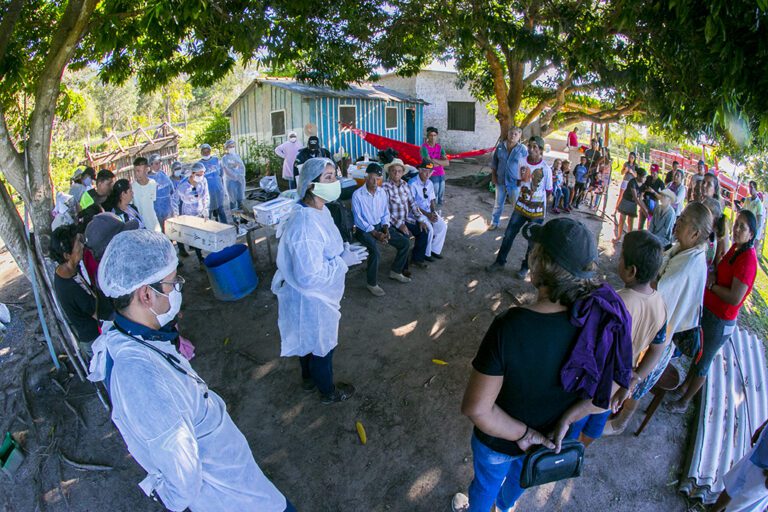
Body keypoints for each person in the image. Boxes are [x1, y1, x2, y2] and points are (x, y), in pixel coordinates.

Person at [87, 229, 292, 511]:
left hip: (234, 479)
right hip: (230, 499)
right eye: (173, 283)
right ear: (146, 294)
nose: (178, 289)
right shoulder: (143, 382)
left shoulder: (133, 334)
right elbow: (181, 484)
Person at [452, 218, 631, 512]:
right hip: (548, 439)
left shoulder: (510, 326)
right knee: (520, 480)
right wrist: (567, 419)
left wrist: (523, 434)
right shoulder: (599, 321)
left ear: (539, 264)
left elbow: (477, 408)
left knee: (485, 485)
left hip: (500, 440)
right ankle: (505, 506)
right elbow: (606, 394)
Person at [271, 157, 366, 404]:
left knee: (307, 340)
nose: (335, 181)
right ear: (311, 185)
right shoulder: (305, 225)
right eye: (329, 178)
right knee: (322, 345)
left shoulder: (317, 210)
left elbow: (324, 246)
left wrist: (341, 251)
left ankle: (308, 380)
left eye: (334, 175)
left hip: (311, 295)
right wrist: (342, 262)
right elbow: (309, 274)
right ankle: (328, 392)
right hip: (312, 296)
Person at [666, 210, 758, 413]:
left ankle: (684, 402)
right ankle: (683, 388)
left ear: (751, 234)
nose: (737, 229)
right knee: (698, 355)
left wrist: (711, 287)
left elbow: (735, 298)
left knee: (704, 361)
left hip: (721, 320)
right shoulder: (736, 248)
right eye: (737, 224)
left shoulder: (748, 261)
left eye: (743, 227)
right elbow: (720, 270)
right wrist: (714, 275)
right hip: (710, 312)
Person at [632, 203, 713, 406]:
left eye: (683, 220)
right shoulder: (682, 249)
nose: (677, 222)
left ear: (695, 233)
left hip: (661, 332)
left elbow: (658, 291)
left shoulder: (690, 264)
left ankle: (620, 420)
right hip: (655, 324)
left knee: (637, 377)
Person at [603, 231, 668, 435]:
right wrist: (636, 378)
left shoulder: (615, 302)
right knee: (596, 422)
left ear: (631, 271)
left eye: (621, 257)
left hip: (599, 375)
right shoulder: (660, 304)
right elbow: (658, 349)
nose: (618, 259)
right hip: (620, 380)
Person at [485, 136, 553, 279]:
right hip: (521, 207)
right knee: (509, 234)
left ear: (540, 151)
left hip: (536, 211)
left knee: (532, 241)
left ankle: (524, 267)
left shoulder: (546, 169)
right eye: (530, 146)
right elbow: (518, 181)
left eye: (535, 147)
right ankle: (499, 262)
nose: (531, 149)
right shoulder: (522, 162)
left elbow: (548, 192)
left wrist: (540, 210)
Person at [351, 163, 412, 296]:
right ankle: (371, 284)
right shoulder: (358, 195)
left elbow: (385, 213)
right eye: (372, 178)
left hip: (380, 226)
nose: (375, 182)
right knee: (375, 252)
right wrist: (375, 233)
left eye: (378, 179)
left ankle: (396, 271)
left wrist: (386, 229)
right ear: (366, 178)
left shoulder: (381, 192)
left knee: (404, 243)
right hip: (364, 230)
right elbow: (358, 220)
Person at [51, 224, 101, 356]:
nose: (82, 246)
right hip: (95, 340)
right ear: (67, 255)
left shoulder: (66, 271)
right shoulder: (70, 288)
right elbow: (99, 313)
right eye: (78, 245)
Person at [382, 158, 431, 269]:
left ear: (403, 172)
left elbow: (413, 204)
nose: (396, 173)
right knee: (405, 239)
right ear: (389, 172)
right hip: (392, 223)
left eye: (399, 171)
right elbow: (385, 211)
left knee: (423, 231)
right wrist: (400, 225)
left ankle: (417, 259)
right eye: (393, 170)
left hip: (405, 220)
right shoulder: (385, 187)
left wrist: (421, 219)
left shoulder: (405, 185)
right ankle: (403, 269)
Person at [711, 419, 768, 512]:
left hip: (765, 473)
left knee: (742, 507)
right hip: (761, 449)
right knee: (733, 486)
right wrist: (763, 426)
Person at [489, 127, 528, 229]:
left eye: (516, 134)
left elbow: (526, 166)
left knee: (516, 206)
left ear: (519, 136)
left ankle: (515, 225)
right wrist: (493, 177)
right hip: (500, 181)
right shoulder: (500, 147)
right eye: (511, 133)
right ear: (508, 134)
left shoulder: (522, 149)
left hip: (515, 183)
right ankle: (494, 223)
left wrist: (522, 180)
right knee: (498, 204)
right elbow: (494, 163)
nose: (513, 136)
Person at [409, 161, 447, 260]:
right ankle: (426, 253)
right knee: (429, 229)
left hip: (428, 212)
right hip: (415, 213)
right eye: (425, 171)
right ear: (420, 170)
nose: (428, 174)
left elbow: (432, 199)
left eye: (430, 172)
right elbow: (412, 204)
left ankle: (434, 249)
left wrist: (433, 212)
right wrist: (427, 214)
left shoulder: (429, 182)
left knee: (442, 225)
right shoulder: (412, 183)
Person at [173, 162, 210, 265]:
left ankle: (205, 255)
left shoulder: (203, 181)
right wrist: (176, 213)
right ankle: (201, 259)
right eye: (198, 174)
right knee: (195, 237)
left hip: (200, 211)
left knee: (204, 234)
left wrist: (206, 208)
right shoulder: (183, 185)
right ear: (192, 173)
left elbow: (206, 195)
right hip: (188, 213)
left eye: (202, 174)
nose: (200, 176)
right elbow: (174, 199)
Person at [614, 167, 647, 243]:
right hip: (626, 201)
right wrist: (643, 209)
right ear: (638, 176)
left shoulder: (643, 185)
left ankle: (628, 239)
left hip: (633, 204)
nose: (645, 179)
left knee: (630, 221)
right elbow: (635, 197)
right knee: (622, 219)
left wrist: (644, 208)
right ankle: (618, 237)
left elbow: (640, 198)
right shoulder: (632, 182)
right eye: (644, 177)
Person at [199, 143, 228, 224]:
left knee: (220, 209)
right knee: (209, 211)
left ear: (210, 151)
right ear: (201, 152)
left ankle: (225, 227)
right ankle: (209, 229)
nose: (206, 153)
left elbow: (221, 174)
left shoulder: (216, 160)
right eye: (204, 151)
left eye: (207, 151)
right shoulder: (199, 164)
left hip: (218, 191)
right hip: (207, 193)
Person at [421, 127, 450, 207]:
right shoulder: (424, 148)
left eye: (434, 135)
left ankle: (439, 213)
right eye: (431, 135)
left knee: (441, 194)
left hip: (441, 173)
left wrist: (434, 160)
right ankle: (433, 212)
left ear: (437, 136)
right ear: (427, 136)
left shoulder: (439, 147)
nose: (433, 137)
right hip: (431, 174)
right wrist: (440, 162)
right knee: (434, 194)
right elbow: (428, 164)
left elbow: (447, 163)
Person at [131, 157, 161, 232]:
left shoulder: (153, 183)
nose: (136, 174)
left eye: (139, 171)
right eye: (135, 171)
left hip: (154, 224)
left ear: (146, 170)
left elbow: (154, 203)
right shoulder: (132, 187)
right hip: (141, 227)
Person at [148, 154, 176, 231]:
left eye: (160, 163)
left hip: (168, 206)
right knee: (162, 231)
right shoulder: (148, 179)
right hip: (157, 209)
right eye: (156, 163)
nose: (159, 165)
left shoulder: (162, 173)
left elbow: (170, 187)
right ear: (150, 165)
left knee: (172, 230)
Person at [738, 181, 764, 253]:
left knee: (746, 250)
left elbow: (759, 222)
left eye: (752, 187)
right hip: (744, 226)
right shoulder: (747, 199)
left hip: (750, 230)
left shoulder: (758, 203)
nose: (750, 189)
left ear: (756, 189)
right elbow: (743, 210)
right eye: (749, 187)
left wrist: (752, 232)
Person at [221, 139, 246, 212]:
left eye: (233, 146)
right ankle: (234, 218)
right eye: (230, 147)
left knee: (240, 199)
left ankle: (242, 218)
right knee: (233, 200)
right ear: (226, 148)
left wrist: (240, 176)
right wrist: (235, 176)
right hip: (231, 181)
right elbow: (226, 170)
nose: (232, 148)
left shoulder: (237, 156)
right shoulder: (224, 158)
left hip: (240, 180)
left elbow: (242, 167)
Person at [638, 163, 665, 230]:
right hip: (645, 202)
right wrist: (645, 190)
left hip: (654, 204)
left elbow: (662, 198)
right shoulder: (648, 178)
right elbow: (642, 187)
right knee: (641, 223)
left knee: (650, 224)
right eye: (651, 172)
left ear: (657, 172)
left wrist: (653, 192)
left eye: (654, 173)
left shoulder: (660, 183)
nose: (652, 174)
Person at [613, 153, 637, 217]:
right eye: (630, 157)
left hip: (631, 183)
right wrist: (625, 170)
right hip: (625, 181)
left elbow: (636, 176)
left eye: (632, 157)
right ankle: (615, 210)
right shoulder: (626, 164)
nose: (630, 159)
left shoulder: (636, 166)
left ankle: (625, 212)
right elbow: (621, 173)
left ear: (634, 158)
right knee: (621, 196)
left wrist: (632, 172)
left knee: (628, 197)